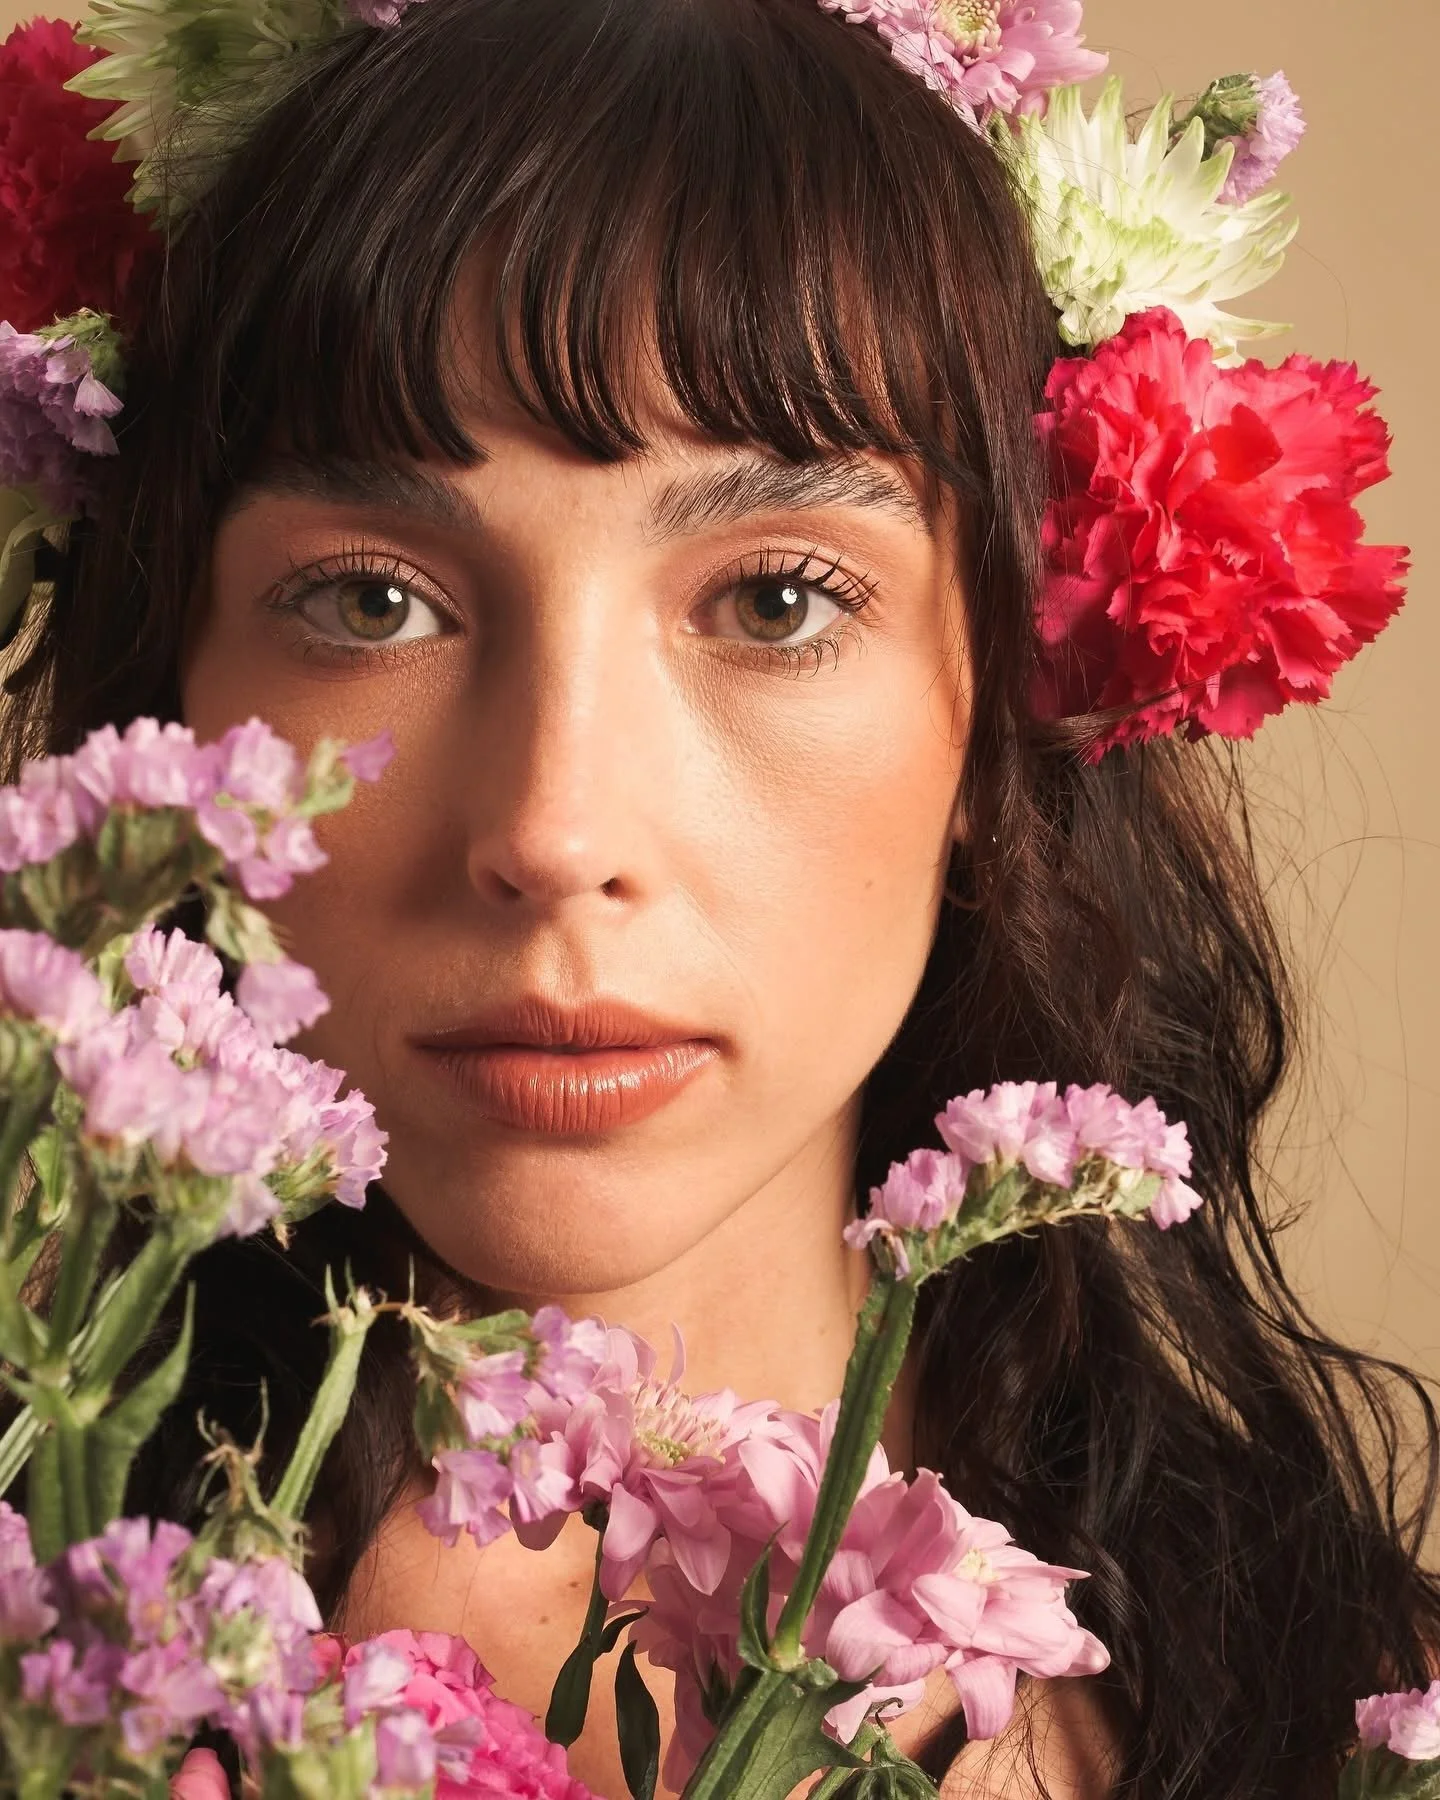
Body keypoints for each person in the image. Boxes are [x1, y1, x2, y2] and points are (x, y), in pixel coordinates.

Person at [2, 0, 1436, 1793]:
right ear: (168, 699)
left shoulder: (1355, 1724)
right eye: (372, 600)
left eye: (774, 601)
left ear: (1001, 712)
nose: (553, 826)